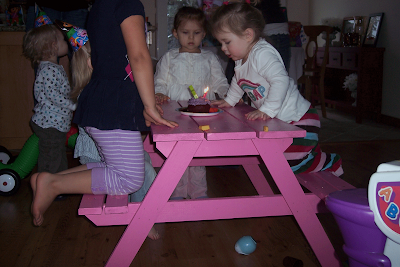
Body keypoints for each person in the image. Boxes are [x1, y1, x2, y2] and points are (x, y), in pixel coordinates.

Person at [29, 0, 178, 240]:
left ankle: (52, 179)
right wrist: (149, 105)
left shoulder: (100, 6)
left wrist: (144, 101)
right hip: (113, 105)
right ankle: (54, 184)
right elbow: (139, 56)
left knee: (115, 168)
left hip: (101, 100)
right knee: (129, 179)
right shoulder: (126, 3)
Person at [210, 2, 343, 176]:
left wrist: (267, 109)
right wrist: (230, 100)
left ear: (248, 35)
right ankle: (313, 158)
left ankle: (329, 162)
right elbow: (238, 79)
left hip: (299, 117)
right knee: (281, 161)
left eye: (226, 42)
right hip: (282, 119)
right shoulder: (241, 59)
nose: (223, 48)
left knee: (291, 163)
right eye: (221, 43)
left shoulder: (262, 53)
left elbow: (281, 80)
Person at [70, 38, 157, 204]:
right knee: (144, 170)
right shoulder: (101, 97)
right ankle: (143, 217)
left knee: (144, 158)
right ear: (92, 63)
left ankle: (139, 207)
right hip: (97, 157)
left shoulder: (95, 92)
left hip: (105, 153)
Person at [154, 6, 229, 199]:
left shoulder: (209, 57)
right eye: (185, 32)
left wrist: (226, 94)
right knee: (176, 154)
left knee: (197, 154)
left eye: (196, 33)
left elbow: (219, 80)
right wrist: (160, 93)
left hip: (202, 114)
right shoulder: (169, 58)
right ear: (175, 33)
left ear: (203, 34)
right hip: (174, 114)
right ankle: (177, 193)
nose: (191, 38)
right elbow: (159, 81)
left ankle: (198, 193)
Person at [22, 24, 76, 174]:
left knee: (57, 154)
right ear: (54, 46)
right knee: (51, 157)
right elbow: (53, 95)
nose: (67, 43)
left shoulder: (52, 67)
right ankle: (48, 185)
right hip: (50, 125)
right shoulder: (48, 70)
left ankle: (58, 182)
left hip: (56, 123)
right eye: (63, 40)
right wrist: (72, 105)